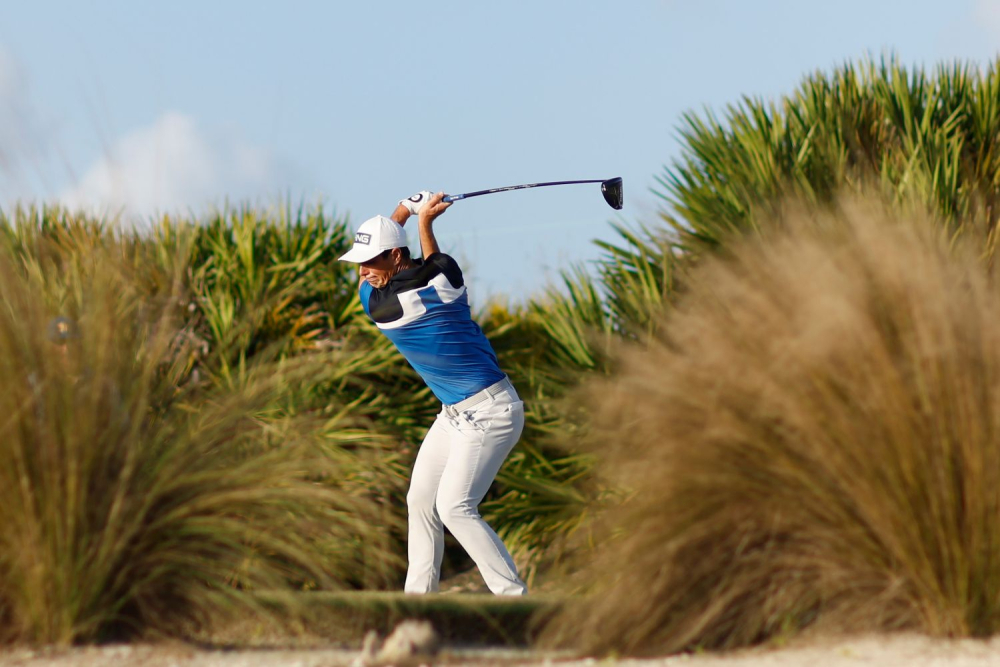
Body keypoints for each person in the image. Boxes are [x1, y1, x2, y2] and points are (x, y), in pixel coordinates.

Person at [338, 191, 527, 596]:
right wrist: (414, 215)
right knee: (420, 500)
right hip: (455, 415)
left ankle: (513, 599)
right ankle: (418, 602)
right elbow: (430, 267)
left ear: (393, 256)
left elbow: (421, 271)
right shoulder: (432, 282)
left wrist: (413, 214)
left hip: (492, 412)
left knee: (455, 508)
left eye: (369, 262)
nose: (362, 273)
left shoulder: (390, 302)